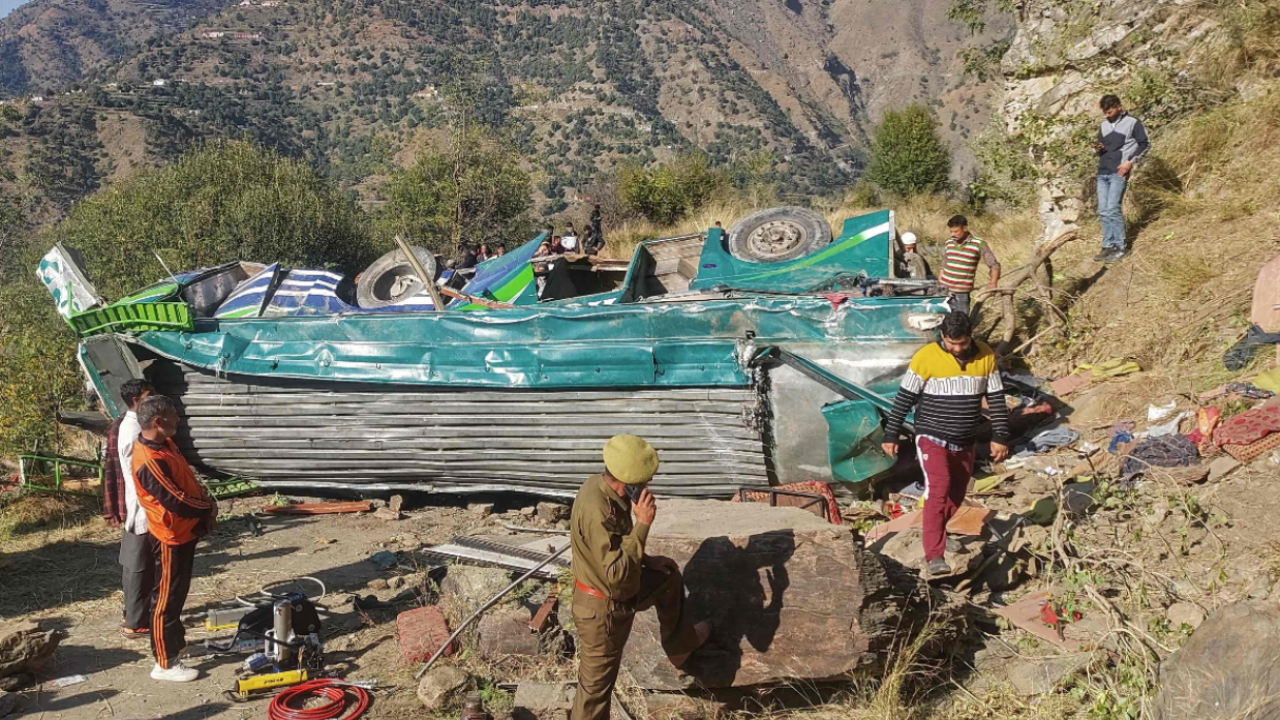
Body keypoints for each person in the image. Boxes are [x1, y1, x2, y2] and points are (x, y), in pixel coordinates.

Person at [569, 435, 710, 720]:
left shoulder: (604, 489)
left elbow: (617, 544)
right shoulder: (597, 510)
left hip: (619, 591)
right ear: (631, 483)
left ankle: (679, 646)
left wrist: (647, 559)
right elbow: (617, 574)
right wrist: (643, 524)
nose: (648, 486)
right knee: (595, 692)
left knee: (666, 577)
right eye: (646, 481)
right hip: (604, 611)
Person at [880, 312, 1011, 578]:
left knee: (957, 493)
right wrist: (891, 435)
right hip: (932, 436)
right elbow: (904, 398)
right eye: (952, 344)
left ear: (970, 336)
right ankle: (934, 554)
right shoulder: (926, 357)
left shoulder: (985, 355)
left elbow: (996, 399)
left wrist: (1001, 436)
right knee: (938, 490)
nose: (958, 349)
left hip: (964, 439)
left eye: (962, 343)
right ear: (943, 337)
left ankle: (938, 531)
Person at [130, 395, 217, 682]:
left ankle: (176, 645)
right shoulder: (148, 459)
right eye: (174, 415)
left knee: (177, 594)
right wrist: (207, 507)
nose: (179, 420)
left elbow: (185, 481)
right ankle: (164, 663)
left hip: (184, 531)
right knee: (165, 600)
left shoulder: (165, 444)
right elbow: (176, 500)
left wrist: (204, 503)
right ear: (158, 421)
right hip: (170, 536)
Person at [111, 379, 156, 640]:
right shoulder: (132, 429)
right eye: (150, 396)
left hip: (141, 504)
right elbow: (138, 471)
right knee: (139, 565)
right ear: (137, 401)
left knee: (135, 563)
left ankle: (134, 614)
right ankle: (136, 622)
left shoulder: (135, 425)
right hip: (142, 505)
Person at [1093, 94, 1149, 264]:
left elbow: (1144, 144)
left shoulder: (1133, 123)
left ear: (1118, 107)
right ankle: (1108, 245)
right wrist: (1097, 148)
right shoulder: (1103, 125)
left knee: (1112, 208)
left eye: (1109, 112)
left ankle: (1121, 247)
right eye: (1105, 112)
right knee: (1103, 210)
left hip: (1118, 172)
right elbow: (1099, 147)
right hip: (1102, 172)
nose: (1106, 115)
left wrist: (1129, 162)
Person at [938, 215, 1000, 315]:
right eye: (951, 231)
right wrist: (940, 280)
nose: (953, 234)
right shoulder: (948, 243)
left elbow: (994, 265)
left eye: (956, 231)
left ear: (965, 228)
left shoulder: (978, 244)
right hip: (944, 291)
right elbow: (944, 263)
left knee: (962, 323)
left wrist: (993, 283)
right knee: (942, 322)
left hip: (961, 294)